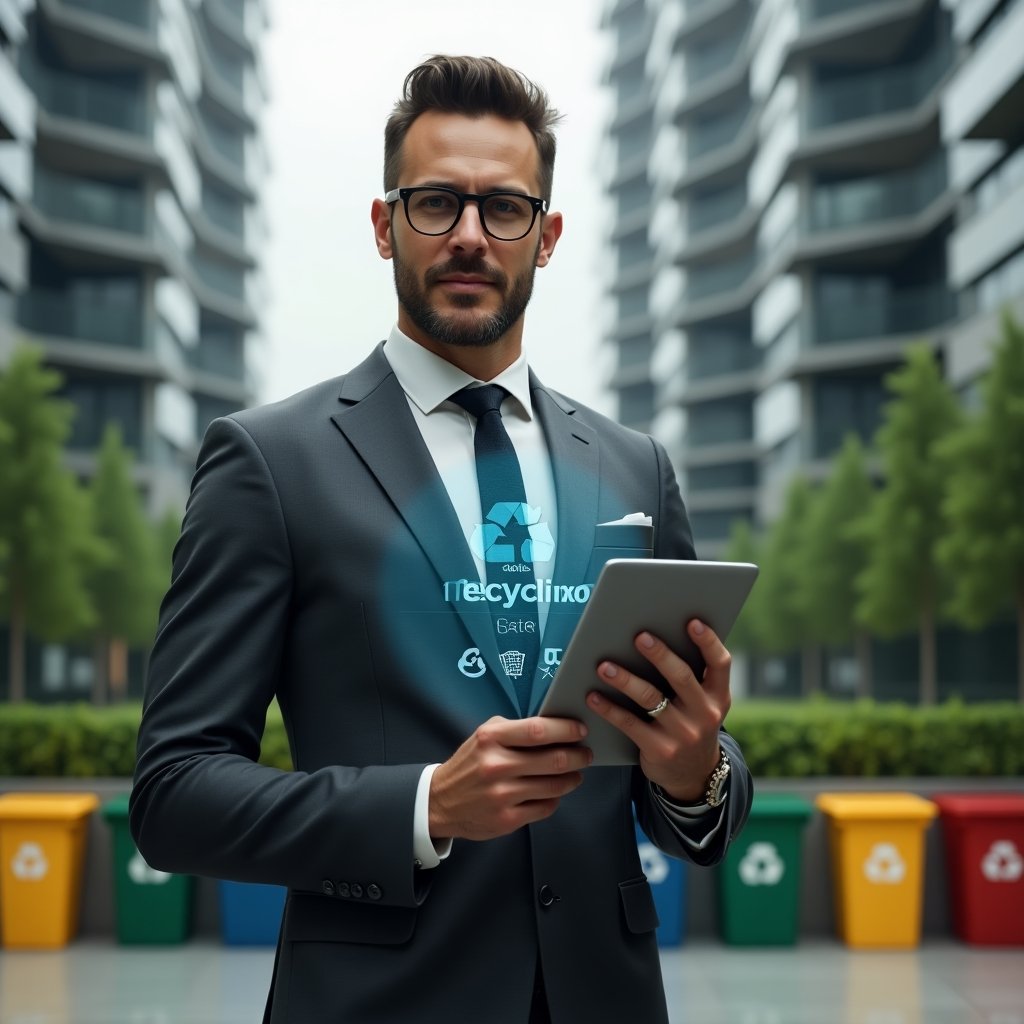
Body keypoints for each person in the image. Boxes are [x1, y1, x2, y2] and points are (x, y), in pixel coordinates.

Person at [130, 55, 752, 1024]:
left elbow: (695, 793)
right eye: (435, 204)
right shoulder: (269, 462)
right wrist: (424, 805)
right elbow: (173, 792)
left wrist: (693, 771)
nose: (469, 235)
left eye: (503, 208)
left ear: (546, 237)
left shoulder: (636, 470)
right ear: (385, 225)